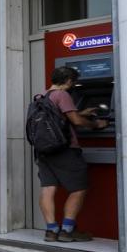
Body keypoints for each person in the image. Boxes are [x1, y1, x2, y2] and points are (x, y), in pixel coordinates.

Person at [37, 66, 108, 242]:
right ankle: (67, 230)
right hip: (64, 149)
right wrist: (96, 125)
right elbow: (75, 121)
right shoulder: (62, 94)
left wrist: (80, 112)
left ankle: (52, 231)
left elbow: (60, 118)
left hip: (44, 150)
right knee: (79, 188)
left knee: (48, 189)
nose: (73, 84)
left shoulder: (41, 96)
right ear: (68, 80)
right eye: (73, 81)